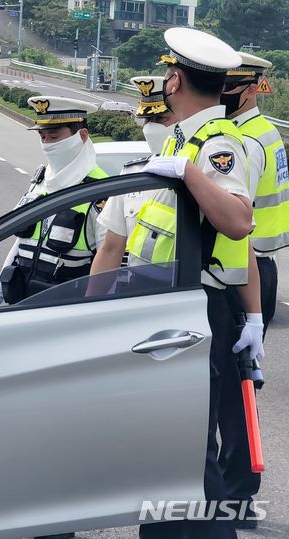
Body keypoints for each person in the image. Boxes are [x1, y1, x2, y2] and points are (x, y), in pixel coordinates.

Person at [119, 28, 262, 538]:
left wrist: (188, 172)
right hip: (170, 306)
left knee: (188, 458)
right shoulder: (184, 138)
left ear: (174, 79)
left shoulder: (215, 145)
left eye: (166, 74)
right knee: (167, 455)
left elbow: (240, 223)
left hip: (195, 310)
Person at [217, 51, 287, 529]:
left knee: (234, 394)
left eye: (224, 87)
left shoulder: (244, 140)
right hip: (256, 265)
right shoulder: (264, 132)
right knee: (238, 390)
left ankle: (237, 493)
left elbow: (233, 223)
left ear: (244, 89)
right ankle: (234, 488)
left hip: (244, 271)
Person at [0, 96, 108, 309]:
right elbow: (21, 244)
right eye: (42, 137)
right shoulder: (41, 181)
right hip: (20, 306)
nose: (47, 144)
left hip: (63, 317)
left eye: (54, 136)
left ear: (82, 135)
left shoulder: (100, 191)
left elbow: (108, 260)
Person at [88, 76, 176, 285]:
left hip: (190, 297)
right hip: (138, 291)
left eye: (161, 119)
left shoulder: (202, 171)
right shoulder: (131, 174)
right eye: (147, 119)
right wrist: (91, 308)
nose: (151, 127)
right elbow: (111, 248)